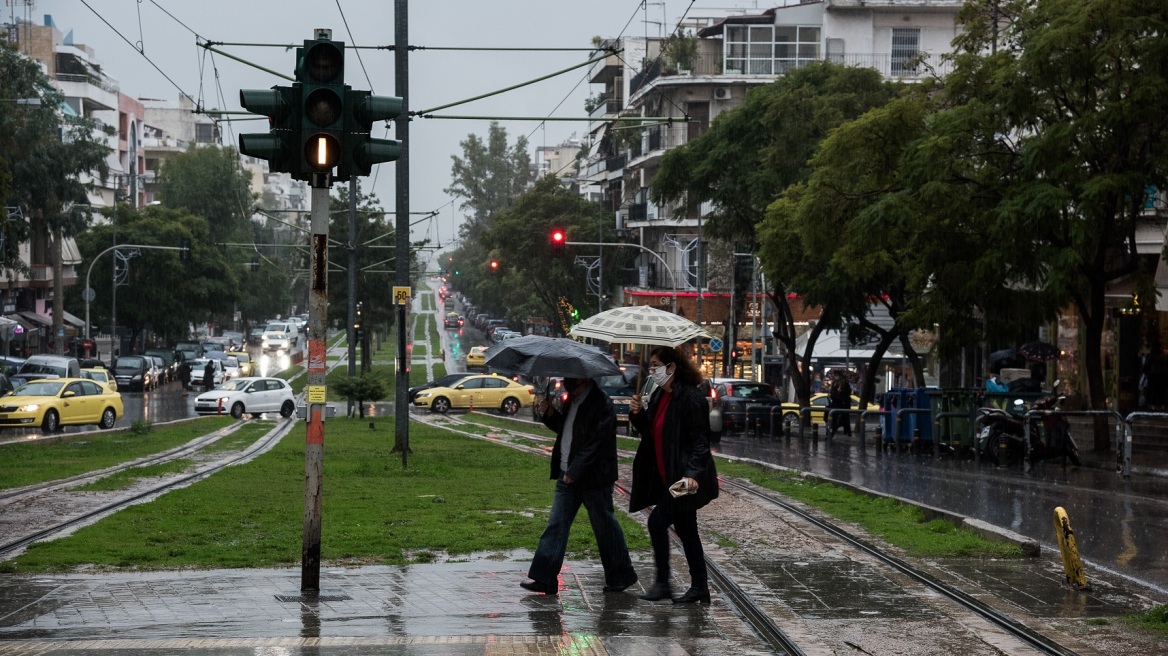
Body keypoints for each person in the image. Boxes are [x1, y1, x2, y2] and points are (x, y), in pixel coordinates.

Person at [520, 376, 638, 596]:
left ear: (585, 379)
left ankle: (621, 576)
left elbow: (598, 442)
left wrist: (575, 470)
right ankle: (545, 578)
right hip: (568, 477)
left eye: (572, 380)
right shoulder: (572, 400)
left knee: (605, 527)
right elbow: (566, 430)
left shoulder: (601, 403)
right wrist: (550, 413)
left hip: (594, 479)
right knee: (556, 525)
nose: (567, 383)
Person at [628, 345, 719, 604]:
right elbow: (650, 430)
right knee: (687, 530)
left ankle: (663, 583)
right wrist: (637, 414)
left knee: (656, 521)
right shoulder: (659, 395)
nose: (651, 370)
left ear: (672, 367)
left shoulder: (691, 398)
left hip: (683, 481)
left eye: (656, 365)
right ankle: (700, 587)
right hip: (666, 476)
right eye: (650, 366)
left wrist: (692, 475)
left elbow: (700, 443)